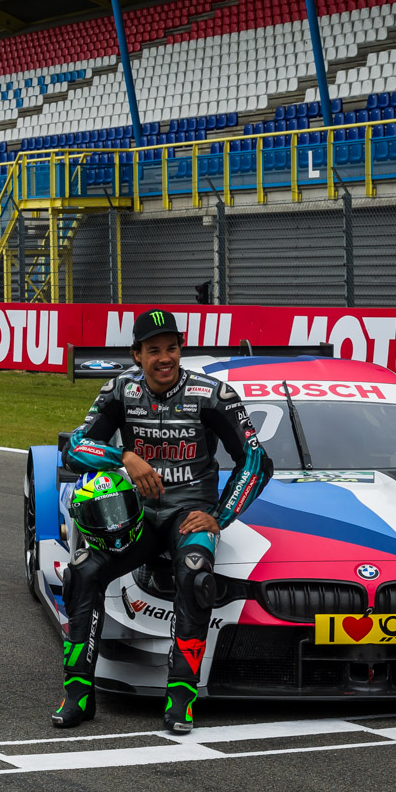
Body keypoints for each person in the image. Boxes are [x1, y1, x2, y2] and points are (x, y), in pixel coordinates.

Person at [52, 308, 273, 732]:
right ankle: (78, 693)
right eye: (154, 350)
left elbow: (256, 461)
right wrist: (124, 456)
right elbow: (74, 449)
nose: (165, 358)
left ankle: (181, 698)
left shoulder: (213, 394)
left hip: (189, 514)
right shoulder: (120, 390)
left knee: (195, 573)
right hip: (134, 516)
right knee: (82, 571)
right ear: (137, 355)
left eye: (171, 348)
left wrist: (220, 515)